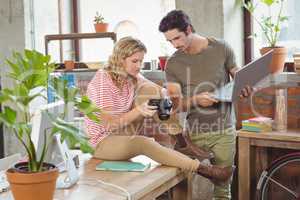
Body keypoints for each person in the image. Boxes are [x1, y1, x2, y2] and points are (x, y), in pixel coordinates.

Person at [84, 36, 234, 184]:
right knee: (143, 143)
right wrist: (139, 110)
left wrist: (164, 96)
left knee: (150, 90)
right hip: (102, 143)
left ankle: (181, 143)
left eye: (141, 61)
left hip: (122, 133)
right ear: (119, 59)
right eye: (134, 61)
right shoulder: (104, 80)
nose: (138, 66)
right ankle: (206, 170)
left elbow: (156, 89)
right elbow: (111, 125)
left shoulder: (131, 76)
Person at [159, 10, 251, 200]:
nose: (175, 45)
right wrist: (195, 100)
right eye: (170, 41)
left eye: (177, 38)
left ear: (189, 29)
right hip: (194, 133)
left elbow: (238, 75)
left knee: (223, 188)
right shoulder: (173, 64)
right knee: (182, 184)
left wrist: (244, 85)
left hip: (224, 130)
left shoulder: (222, 48)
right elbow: (174, 106)